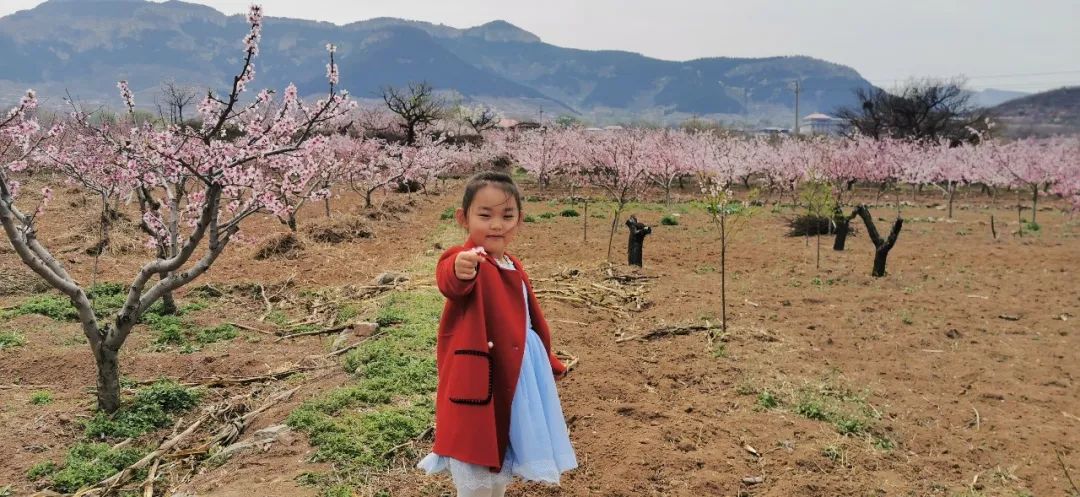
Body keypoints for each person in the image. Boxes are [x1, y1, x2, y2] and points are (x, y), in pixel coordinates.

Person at [416, 171, 578, 497]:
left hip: (515, 375)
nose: (497, 225)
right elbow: (450, 277)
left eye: (507, 216)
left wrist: (547, 360)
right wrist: (460, 267)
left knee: (500, 459)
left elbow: (527, 322)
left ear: (520, 220)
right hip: (480, 380)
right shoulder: (469, 259)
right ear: (463, 218)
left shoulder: (513, 265)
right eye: (485, 215)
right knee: (477, 454)